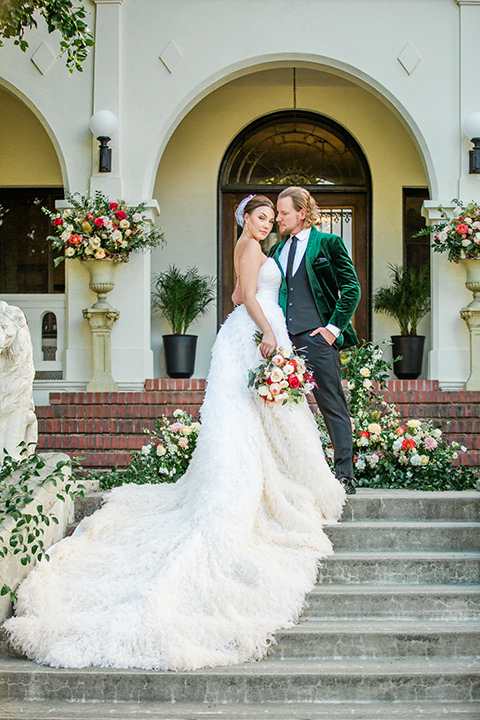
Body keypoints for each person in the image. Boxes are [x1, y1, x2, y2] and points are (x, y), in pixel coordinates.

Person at [4, 195, 345, 672]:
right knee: (248, 415)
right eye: (261, 217)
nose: (268, 224)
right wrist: (268, 331)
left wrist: (263, 318)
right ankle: (249, 486)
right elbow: (246, 297)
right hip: (256, 331)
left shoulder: (254, 248)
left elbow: (236, 294)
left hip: (252, 331)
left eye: (272, 218)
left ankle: (273, 478)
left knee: (258, 414)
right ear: (245, 219)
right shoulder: (251, 248)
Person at [271, 187, 361, 495]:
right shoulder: (276, 250)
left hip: (316, 339)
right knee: (282, 408)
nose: (278, 218)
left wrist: (331, 329)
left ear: (302, 213)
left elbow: (351, 288)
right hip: (283, 341)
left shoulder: (329, 243)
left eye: (283, 213)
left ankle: (345, 475)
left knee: (331, 404)